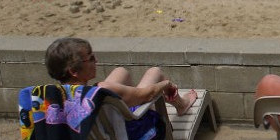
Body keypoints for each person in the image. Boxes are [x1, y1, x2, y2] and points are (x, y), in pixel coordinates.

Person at [45, 37, 196, 115]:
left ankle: (126, 100)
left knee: (120, 72)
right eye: (90, 58)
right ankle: (181, 105)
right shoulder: (101, 90)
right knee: (154, 72)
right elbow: (148, 94)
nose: (96, 60)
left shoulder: (54, 97)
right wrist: (167, 84)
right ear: (74, 71)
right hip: (122, 137)